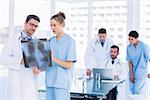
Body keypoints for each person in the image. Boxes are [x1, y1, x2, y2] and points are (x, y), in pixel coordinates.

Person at [0, 15, 40, 100]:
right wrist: (20, 61)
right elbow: (3, 59)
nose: (33, 28)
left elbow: (37, 61)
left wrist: (37, 69)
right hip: (16, 81)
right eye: (31, 24)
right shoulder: (13, 39)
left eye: (36, 26)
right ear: (25, 23)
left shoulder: (36, 42)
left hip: (30, 81)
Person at [45, 12, 76, 100]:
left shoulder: (70, 42)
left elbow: (69, 65)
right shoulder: (50, 41)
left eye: (54, 25)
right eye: (51, 25)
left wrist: (53, 59)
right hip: (49, 82)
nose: (52, 28)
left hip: (62, 84)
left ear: (62, 24)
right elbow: (46, 62)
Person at [126, 30, 150, 95]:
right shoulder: (129, 47)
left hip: (141, 73)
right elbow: (129, 61)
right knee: (131, 91)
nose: (130, 41)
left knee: (137, 91)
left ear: (137, 38)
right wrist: (131, 74)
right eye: (129, 39)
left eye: (132, 39)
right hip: (132, 72)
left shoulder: (144, 47)